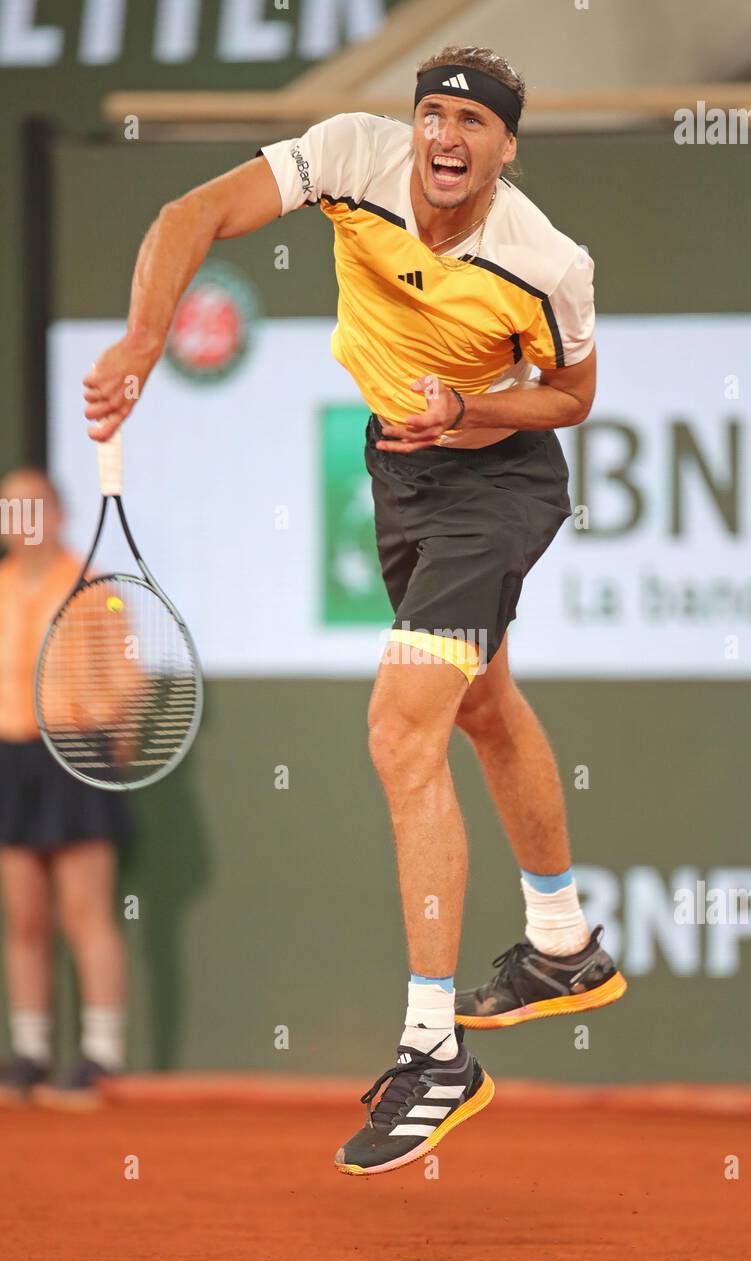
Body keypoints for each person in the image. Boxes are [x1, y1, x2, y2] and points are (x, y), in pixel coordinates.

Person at [82, 44, 627, 1174]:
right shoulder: (346, 157)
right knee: (480, 705)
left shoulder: (545, 261)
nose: (446, 136)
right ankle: (563, 942)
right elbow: (195, 210)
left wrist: (472, 401)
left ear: (505, 147)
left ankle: (435, 1052)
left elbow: (570, 395)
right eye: (433, 113)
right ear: (412, 123)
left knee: (398, 728)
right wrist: (142, 339)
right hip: (400, 474)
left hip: (496, 483)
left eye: (473, 123)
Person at [0, 469, 131, 1106]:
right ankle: (29, 1053)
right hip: (8, 757)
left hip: (78, 752)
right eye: (8, 510)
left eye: (31, 507)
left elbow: (126, 683)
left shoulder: (96, 588)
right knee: (24, 915)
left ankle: (100, 1055)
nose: (19, 521)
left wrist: (112, 735)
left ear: (56, 515)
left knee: (85, 912)